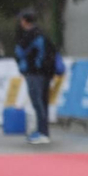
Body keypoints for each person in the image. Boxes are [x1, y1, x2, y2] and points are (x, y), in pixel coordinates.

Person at [13, 9, 57, 145]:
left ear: (24, 21)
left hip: (34, 72)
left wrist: (23, 65)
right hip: (46, 72)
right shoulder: (43, 33)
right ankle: (44, 132)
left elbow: (20, 52)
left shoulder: (30, 35)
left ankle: (42, 133)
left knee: (37, 102)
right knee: (43, 102)